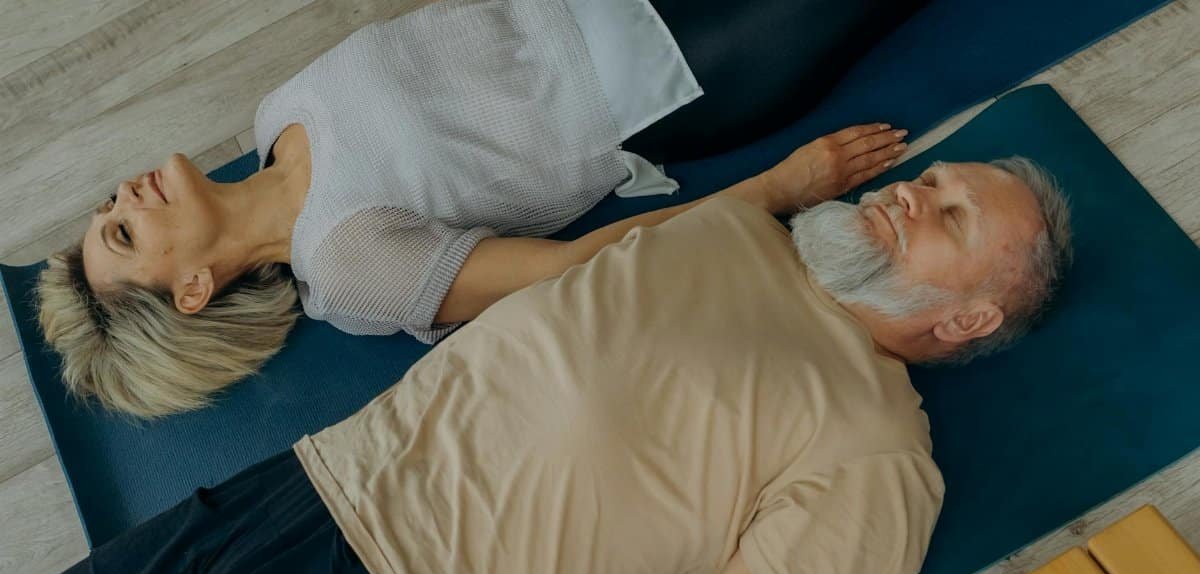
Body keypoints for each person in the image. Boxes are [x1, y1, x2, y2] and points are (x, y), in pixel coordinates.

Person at [1, 157, 1072, 574]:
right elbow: (568, 269)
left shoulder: (881, 460)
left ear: (971, 315)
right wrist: (785, 181)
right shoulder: (744, 232)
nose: (914, 193)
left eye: (951, 214)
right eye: (933, 177)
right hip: (296, 491)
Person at [34, 0, 926, 418]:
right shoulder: (348, 267)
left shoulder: (277, 113)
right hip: (673, 73)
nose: (126, 195)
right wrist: (778, 188)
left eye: (106, 205)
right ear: (190, 289)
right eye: (123, 231)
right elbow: (582, 271)